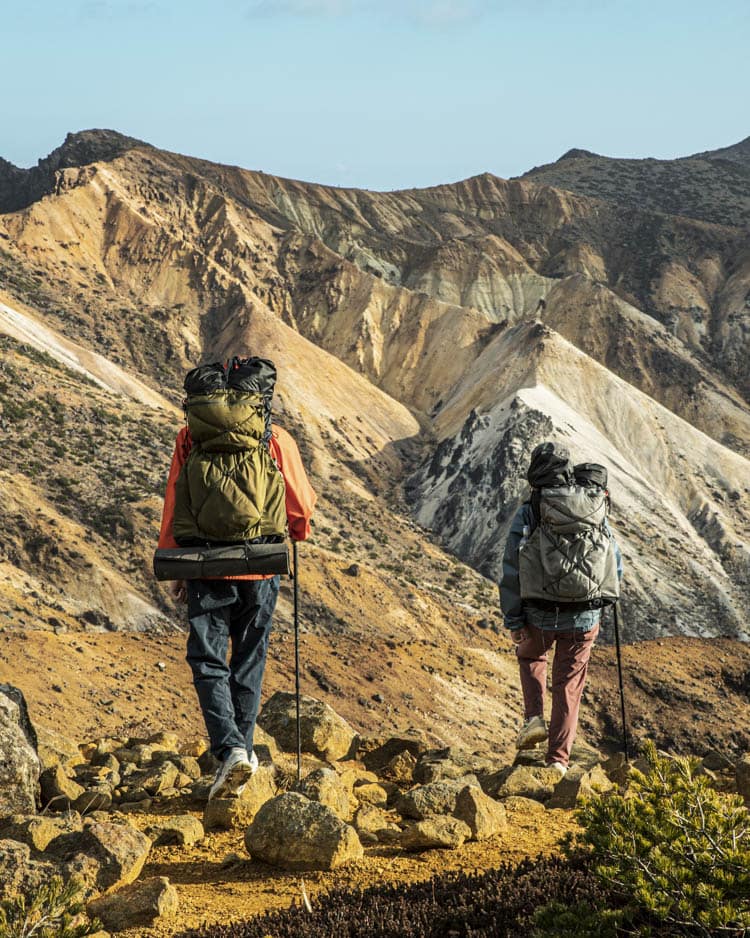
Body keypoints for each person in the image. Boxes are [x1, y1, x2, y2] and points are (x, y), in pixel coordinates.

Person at [157, 357, 316, 800]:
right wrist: (295, 534)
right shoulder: (274, 437)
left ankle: (231, 752)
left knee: (207, 659)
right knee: (249, 658)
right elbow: (300, 504)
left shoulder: (189, 437)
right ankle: (241, 751)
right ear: (259, 400)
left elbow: (176, 498)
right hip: (261, 562)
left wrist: (173, 559)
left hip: (206, 564)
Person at [499, 442, 622, 775]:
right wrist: (606, 598)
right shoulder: (592, 507)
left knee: (531, 656)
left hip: (538, 611)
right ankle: (558, 761)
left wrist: (513, 618)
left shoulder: (532, 509)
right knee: (569, 685)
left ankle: (534, 719)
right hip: (584, 615)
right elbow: (614, 559)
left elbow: (512, 568)